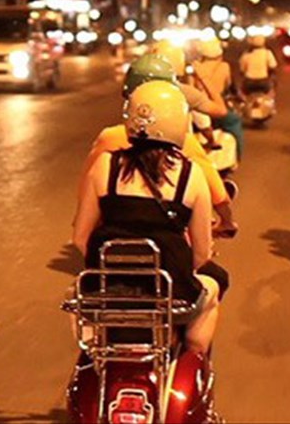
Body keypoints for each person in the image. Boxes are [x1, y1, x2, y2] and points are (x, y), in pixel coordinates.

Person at [74, 81, 225, 354]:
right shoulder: (190, 175)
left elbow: (81, 238)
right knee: (215, 282)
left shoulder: (105, 166)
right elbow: (201, 256)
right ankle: (192, 361)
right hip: (170, 296)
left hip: (108, 291)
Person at [76, 54, 238, 238]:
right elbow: (216, 191)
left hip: (109, 240)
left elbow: (87, 185)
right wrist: (227, 220)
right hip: (171, 248)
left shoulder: (108, 140)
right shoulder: (188, 148)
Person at [192, 37, 245, 159]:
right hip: (215, 109)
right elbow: (230, 86)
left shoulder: (196, 68)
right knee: (235, 121)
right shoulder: (224, 66)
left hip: (198, 110)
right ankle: (238, 156)